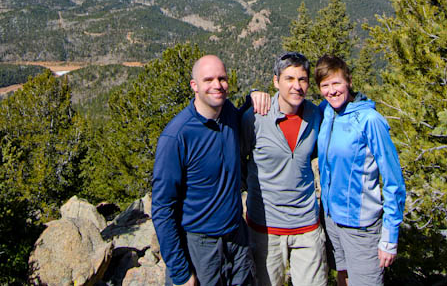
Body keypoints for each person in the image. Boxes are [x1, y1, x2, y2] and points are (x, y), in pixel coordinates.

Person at [152, 54, 264, 286]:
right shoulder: (177, 136)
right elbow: (162, 208)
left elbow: (246, 110)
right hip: (199, 245)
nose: (217, 85)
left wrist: (254, 94)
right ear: (194, 86)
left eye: (222, 78)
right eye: (208, 80)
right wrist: (181, 273)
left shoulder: (229, 115)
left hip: (236, 238)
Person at [315, 54, 406, 286]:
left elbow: (394, 180)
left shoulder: (369, 121)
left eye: (336, 83)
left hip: (360, 225)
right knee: (342, 278)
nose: (331, 91)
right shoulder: (327, 112)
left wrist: (390, 237)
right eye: (325, 85)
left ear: (349, 82)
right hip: (332, 219)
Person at [240, 51, 328, 286]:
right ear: (276, 81)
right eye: (289, 79)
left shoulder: (316, 116)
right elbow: (238, 161)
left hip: (307, 227)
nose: (297, 86)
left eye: (302, 79)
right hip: (264, 229)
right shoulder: (256, 117)